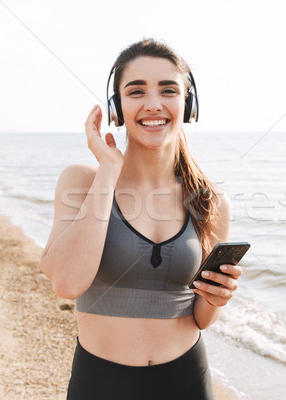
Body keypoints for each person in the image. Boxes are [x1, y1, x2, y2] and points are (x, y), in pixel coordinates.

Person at [40, 38, 242, 400]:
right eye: (136, 91)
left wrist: (215, 298)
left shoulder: (211, 203)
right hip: (100, 382)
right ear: (116, 108)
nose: (153, 104)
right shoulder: (81, 182)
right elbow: (67, 283)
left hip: (186, 380)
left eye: (168, 90)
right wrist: (108, 172)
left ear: (187, 103)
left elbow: (200, 318)